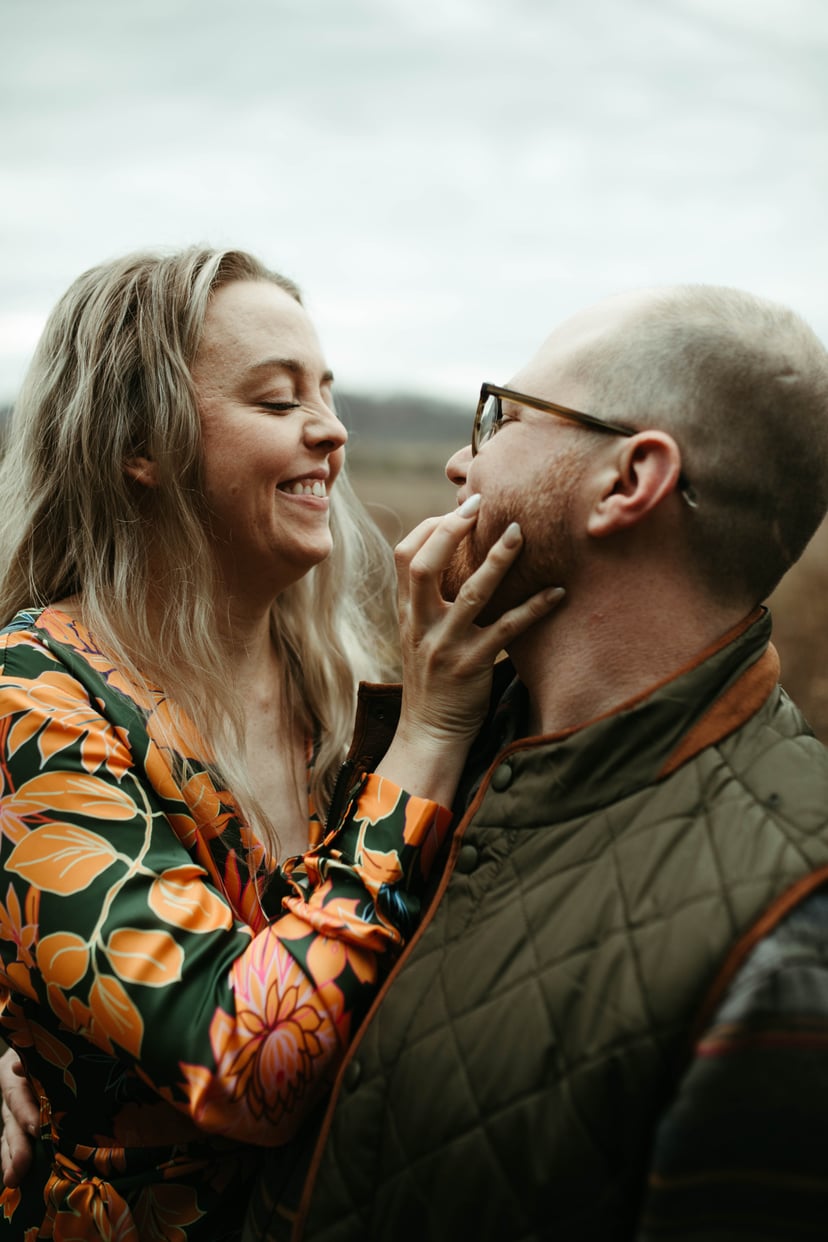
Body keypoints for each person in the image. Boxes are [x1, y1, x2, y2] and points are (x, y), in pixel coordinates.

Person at [243, 284, 828, 1241]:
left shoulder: (789, 936)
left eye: (502, 418)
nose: (457, 459)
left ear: (627, 482)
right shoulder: (434, 752)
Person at [0, 246, 559, 1240]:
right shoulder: (34, 697)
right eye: (275, 401)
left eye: (329, 393)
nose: (333, 431)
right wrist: (429, 737)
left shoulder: (341, 681)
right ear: (143, 443)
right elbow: (246, 1069)